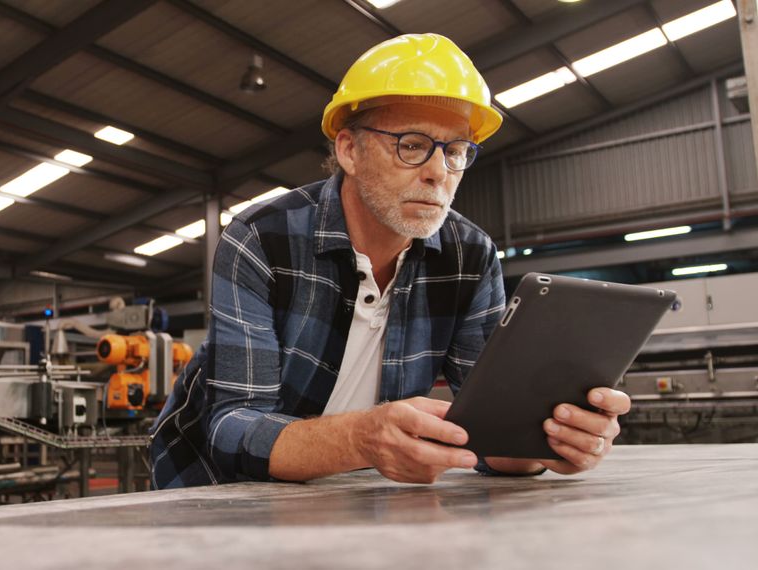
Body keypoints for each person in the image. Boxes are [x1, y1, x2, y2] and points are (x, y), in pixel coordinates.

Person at [149, 33, 631, 489]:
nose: (438, 173)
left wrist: (548, 442)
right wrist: (362, 439)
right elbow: (232, 428)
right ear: (349, 150)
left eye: (456, 151)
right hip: (208, 489)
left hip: (350, 493)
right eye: (413, 145)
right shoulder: (262, 238)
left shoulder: (471, 256)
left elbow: (488, 429)